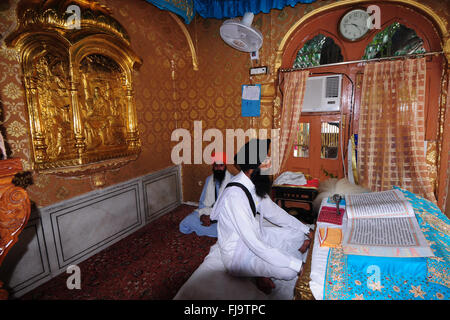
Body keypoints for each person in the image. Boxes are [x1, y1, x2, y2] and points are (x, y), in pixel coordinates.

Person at [210, 139, 313, 294]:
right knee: (289, 271)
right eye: (265, 160)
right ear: (252, 167)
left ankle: (262, 270)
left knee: (298, 235)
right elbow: (254, 244)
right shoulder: (235, 196)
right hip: (239, 253)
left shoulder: (254, 184)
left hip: (257, 236)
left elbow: (275, 213)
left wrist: (306, 230)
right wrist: (299, 266)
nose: (269, 164)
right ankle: (257, 273)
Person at [179, 152, 233, 237]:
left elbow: (232, 208)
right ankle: (213, 230)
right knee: (185, 223)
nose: (218, 168)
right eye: (216, 166)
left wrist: (212, 219)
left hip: (225, 216)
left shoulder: (233, 181)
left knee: (229, 228)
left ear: (225, 166)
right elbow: (202, 202)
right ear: (213, 167)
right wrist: (203, 215)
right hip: (207, 211)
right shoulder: (209, 180)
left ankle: (211, 230)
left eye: (221, 165)